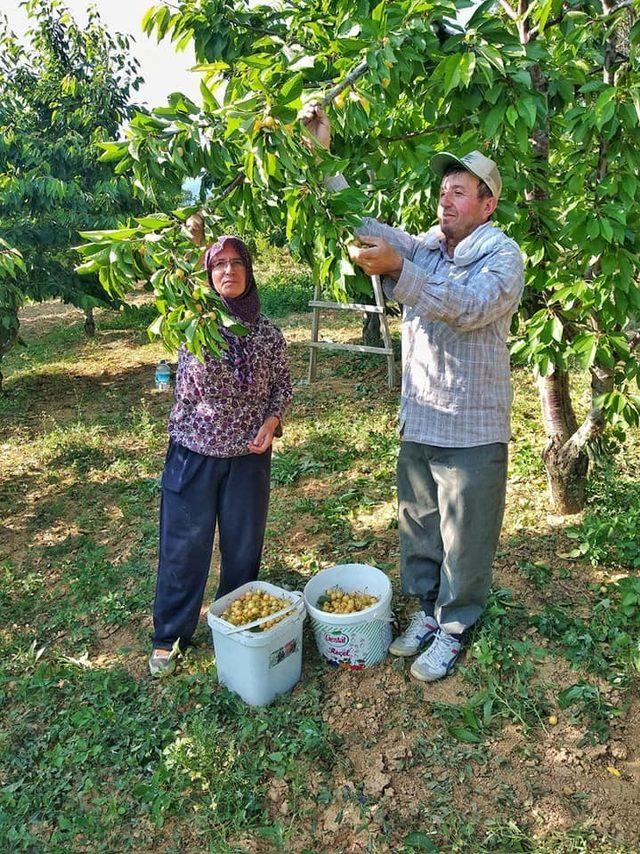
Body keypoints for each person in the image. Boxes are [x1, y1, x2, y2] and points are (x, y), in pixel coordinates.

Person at [302, 105, 524, 681]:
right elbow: (366, 226)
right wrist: (323, 157)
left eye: (459, 193)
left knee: (466, 534)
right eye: (443, 192)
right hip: (420, 416)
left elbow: (469, 306)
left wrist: (402, 266)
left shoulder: (503, 256)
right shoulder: (426, 246)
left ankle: (455, 624)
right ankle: (427, 610)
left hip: (473, 427)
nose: (446, 201)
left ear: (487, 204)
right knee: (420, 525)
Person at [148, 235, 293, 676]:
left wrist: (271, 424)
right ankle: (170, 636)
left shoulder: (267, 334)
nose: (228, 271)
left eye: (236, 263)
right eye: (218, 265)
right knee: (183, 549)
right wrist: (193, 238)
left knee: (243, 550)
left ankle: (235, 620)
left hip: (248, 458)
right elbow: (178, 284)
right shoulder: (194, 323)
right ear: (207, 275)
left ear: (249, 271)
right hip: (194, 455)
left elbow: (282, 388)